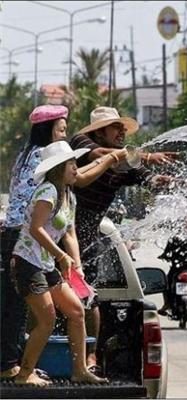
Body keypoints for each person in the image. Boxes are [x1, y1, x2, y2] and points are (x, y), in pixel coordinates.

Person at [0, 105, 126, 379]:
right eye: (61, 130)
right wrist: (112, 159)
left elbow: (69, 231)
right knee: (28, 313)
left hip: (36, 252)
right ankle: (15, 368)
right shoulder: (48, 179)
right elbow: (79, 179)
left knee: (69, 310)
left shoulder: (32, 159)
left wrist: (75, 263)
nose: (65, 135)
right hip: (26, 248)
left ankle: (68, 368)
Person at [69, 106, 175, 371]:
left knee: (89, 298)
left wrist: (171, 181)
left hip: (89, 239)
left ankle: (90, 356)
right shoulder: (80, 144)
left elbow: (147, 178)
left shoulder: (124, 164)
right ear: (99, 131)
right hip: (63, 237)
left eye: (123, 128)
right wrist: (148, 156)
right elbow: (105, 155)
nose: (122, 132)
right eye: (116, 127)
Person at [10, 141, 107, 386]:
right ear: (58, 168)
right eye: (71, 164)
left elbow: (69, 234)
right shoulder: (48, 192)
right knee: (47, 319)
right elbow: (35, 228)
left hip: (44, 264)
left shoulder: (68, 196)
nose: (77, 168)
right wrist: (61, 256)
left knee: (76, 311)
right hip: (27, 262)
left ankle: (80, 370)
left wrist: (77, 266)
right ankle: (24, 374)